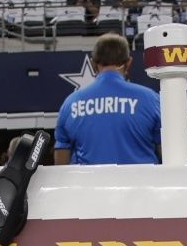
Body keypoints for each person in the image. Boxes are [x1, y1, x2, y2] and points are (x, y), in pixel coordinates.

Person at [53, 34, 160, 166]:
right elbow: (169, 153)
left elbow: (61, 164)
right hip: (141, 184)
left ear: (93, 64)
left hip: (87, 185)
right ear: (129, 62)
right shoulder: (151, 99)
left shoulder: (70, 103)